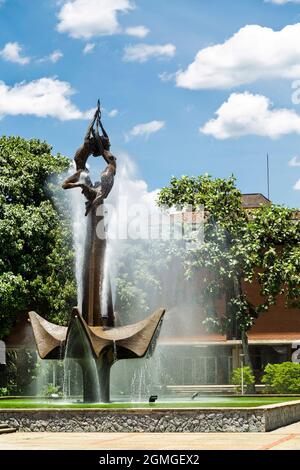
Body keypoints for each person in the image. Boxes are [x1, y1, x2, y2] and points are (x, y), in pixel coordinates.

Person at [62, 102, 111, 190]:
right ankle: (95, 187)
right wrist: (98, 123)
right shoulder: (92, 148)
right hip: (83, 169)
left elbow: (89, 130)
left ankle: (92, 187)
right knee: (90, 188)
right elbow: (105, 141)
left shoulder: (87, 144)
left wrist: (95, 118)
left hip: (82, 170)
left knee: (66, 184)